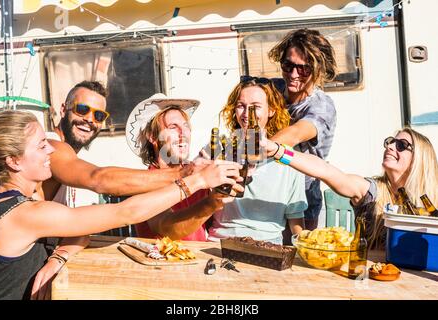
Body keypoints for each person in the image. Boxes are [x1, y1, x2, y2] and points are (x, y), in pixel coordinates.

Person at [0, 110, 242, 300]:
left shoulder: (3, 200)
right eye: (41, 145)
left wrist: (59, 256)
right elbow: (125, 212)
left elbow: (81, 226)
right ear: (14, 161)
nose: (51, 152)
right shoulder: (27, 213)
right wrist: (196, 180)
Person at [35, 81, 200, 297]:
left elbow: (79, 226)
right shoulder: (51, 146)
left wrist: (59, 256)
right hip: (25, 262)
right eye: (82, 109)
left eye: (99, 116)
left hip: (45, 260)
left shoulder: (70, 159)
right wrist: (187, 174)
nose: (89, 120)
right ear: (64, 109)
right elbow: (99, 179)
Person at [264, 127, 438, 249]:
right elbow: (326, 171)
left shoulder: (432, 201)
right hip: (372, 276)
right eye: (391, 142)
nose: (390, 146)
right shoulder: (372, 190)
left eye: (401, 145)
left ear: (419, 158)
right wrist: (279, 151)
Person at [127, 94, 243, 241]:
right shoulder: (147, 182)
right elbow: (168, 229)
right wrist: (212, 203)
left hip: (200, 261)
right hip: (163, 262)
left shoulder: (198, 172)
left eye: (186, 126)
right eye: (173, 127)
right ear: (152, 136)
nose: (183, 134)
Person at [207, 77, 307, 245]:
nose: (247, 114)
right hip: (220, 243)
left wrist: (306, 248)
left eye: (256, 107)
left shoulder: (288, 159)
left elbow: (295, 219)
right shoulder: (219, 150)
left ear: (271, 111)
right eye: (241, 106)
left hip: (267, 246)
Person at [267, 28, 338, 234]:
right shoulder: (273, 89)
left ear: (319, 69)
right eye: (287, 65)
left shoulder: (321, 106)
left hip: (302, 201)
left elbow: (295, 134)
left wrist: (252, 154)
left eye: (303, 69)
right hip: (268, 193)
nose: (293, 74)